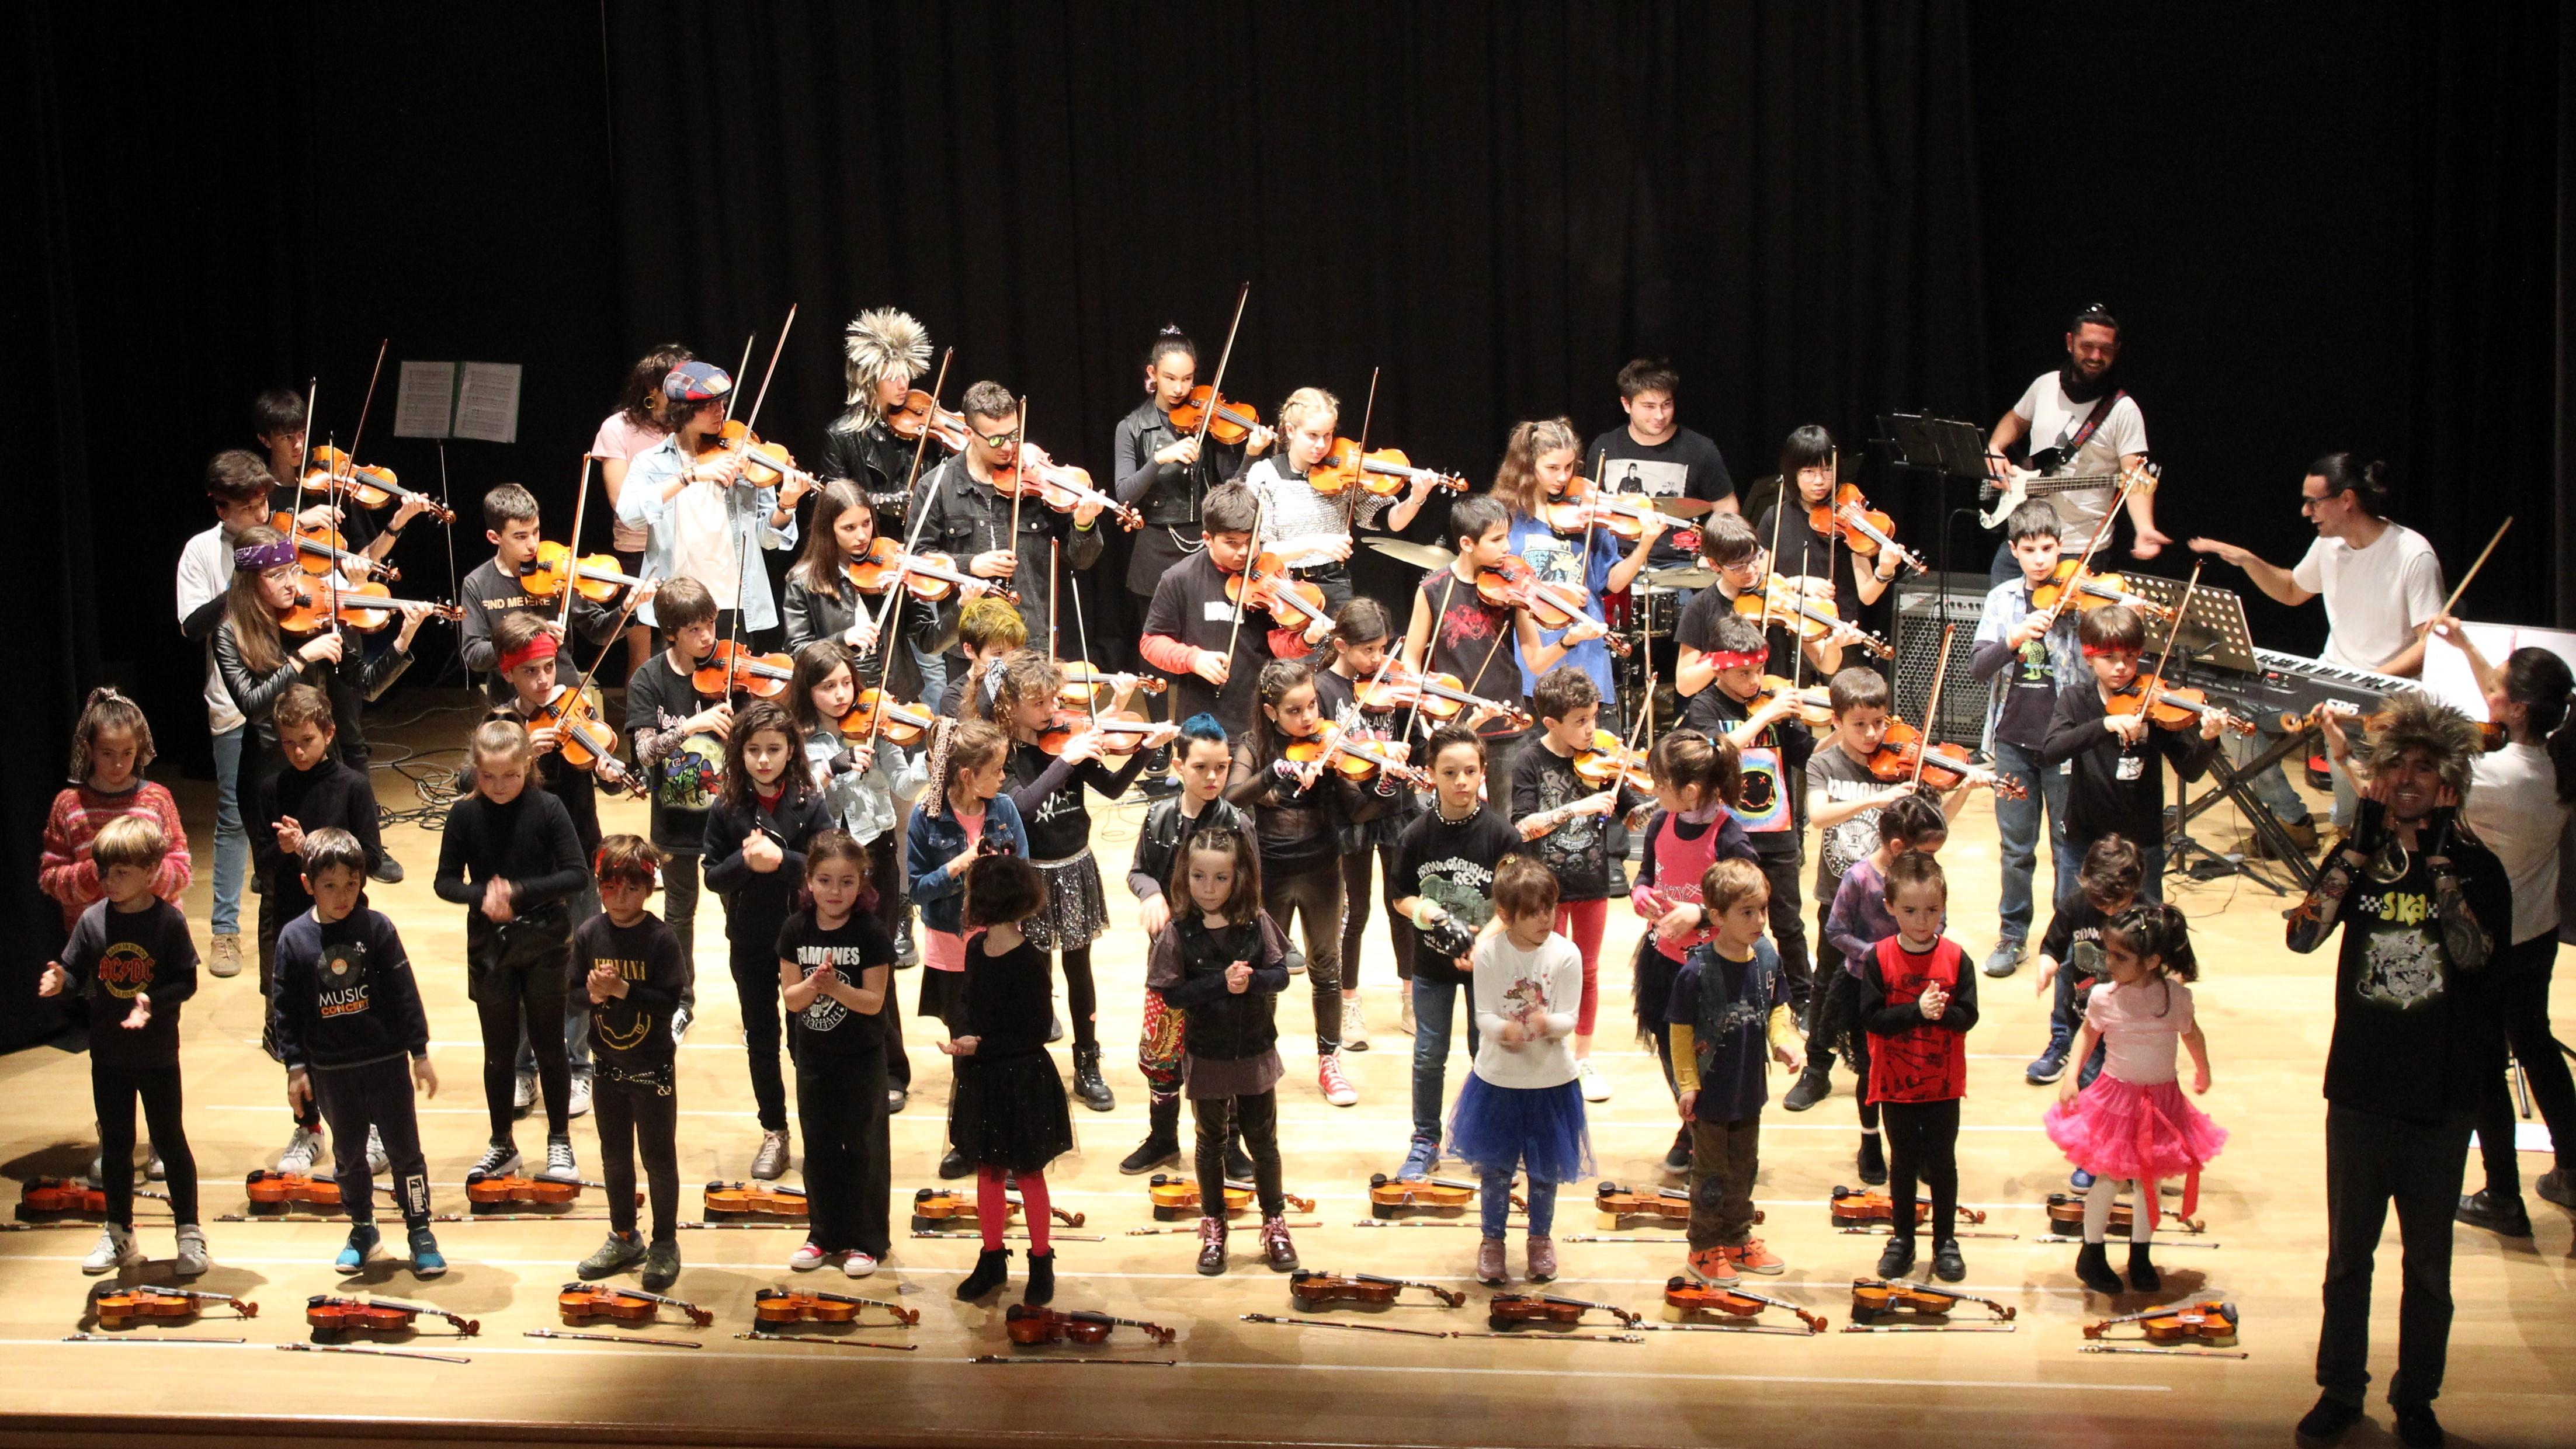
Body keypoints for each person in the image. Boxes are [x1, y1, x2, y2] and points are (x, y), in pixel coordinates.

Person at [2284, 694, 2507, 1449]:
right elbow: (2301, 937)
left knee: (2429, 1269)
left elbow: (2476, 958)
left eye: (2424, 768)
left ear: (2449, 782)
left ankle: (2416, 1397)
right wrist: (2352, 849)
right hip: (2357, 1089)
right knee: (2348, 1260)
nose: (2407, 780)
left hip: (2440, 1100)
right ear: (2376, 775)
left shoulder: (2479, 869)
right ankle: (2341, 1389)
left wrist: (2440, 869)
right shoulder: (2360, 857)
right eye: (2395, 766)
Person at [2188, 454, 2446, 834]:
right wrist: (2248, 561)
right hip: (2328, 685)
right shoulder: (2330, 544)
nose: (2306, 511)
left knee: (2355, 825)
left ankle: (2351, 826)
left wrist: (2368, 681)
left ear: (2346, 500)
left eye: (2314, 501)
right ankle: (2291, 820)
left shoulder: (2413, 553)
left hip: (2384, 701)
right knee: (2225, 704)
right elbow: (2293, 589)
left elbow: (2431, 644)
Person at [2426, 620, 2576, 1232]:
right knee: (2535, 1045)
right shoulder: (2561, 759)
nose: (2489, 697)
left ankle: (2503, 1198)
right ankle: (2572, 1169)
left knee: (2486, 1067)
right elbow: (2502, 695)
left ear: (2516, 709)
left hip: (2489, 938)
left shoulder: (2492, 778)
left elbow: (2414, 793)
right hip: (2538, 931)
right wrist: (2463, 645)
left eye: (2500, 694)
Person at [1790, 667, 1980, 1121]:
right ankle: (1817, 1067)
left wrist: (1965, 790)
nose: (1873, 734)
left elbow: (1932, 827)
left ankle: (1884, 1062)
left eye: (1879, 722)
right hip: (1843, 892)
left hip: (1901, 902)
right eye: (1860, 725)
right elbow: (1817, 816)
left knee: (1889, 989)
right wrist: (1876, 800)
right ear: (1836, 721)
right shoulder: (1825, 763)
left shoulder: (1905, 764)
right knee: (1827, 987)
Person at [212, 526, 428, 905]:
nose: (291, 583)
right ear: (249, 580)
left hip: (325, 769)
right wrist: (301, 657)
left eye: (294, 569)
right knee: (279, 888)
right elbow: (252, 702)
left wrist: (403, 639)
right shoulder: (231, 632)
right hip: (269, 770)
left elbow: (366, 683)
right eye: (276, 575)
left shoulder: (316, 614)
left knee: (338, 879)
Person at [268, 827, 442, 1279]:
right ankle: (363, 1227)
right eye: (330, 885)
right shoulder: (292, 939)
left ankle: (420, 1229)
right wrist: (295, 1066)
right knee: (348, 1154)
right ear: (308, 884)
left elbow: (405, 992)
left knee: (406, 1152)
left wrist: (419, 1051)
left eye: (351, 884)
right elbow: (285, 1010)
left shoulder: (377, 927)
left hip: (385, 1063)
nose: (342, 895)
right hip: (332, 1070)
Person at [980, 651, 1150, 1111]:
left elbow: (1112, 788)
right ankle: (1031, 1062)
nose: (1052, 710)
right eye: (1040, 702)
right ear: (1010, 705)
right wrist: (1066, 761)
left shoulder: (1066, 738)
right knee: (1032, 976)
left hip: (1075, 866)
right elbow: (1020, 807)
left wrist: (1147, 751)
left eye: (1054, 698)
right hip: (1029, 877)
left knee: (1080, 970)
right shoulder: (1001, 753)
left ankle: (1087, 1062)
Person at [42, 815, 205, 1277]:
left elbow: (187, 981)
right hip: (109, 1055)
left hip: (156, 1057)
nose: (108, 881)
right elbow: (76, 973)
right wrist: (62, 982)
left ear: (151, 870)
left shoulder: (168, 922)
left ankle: (189, 1231)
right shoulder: (94, 921)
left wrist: (154, 1000)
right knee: (115, 1145)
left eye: (121, 872)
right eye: (104, 871)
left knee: (170, 1141)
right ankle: (119, 1232)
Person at [435, 718, 589, 1184]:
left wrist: (518, 892)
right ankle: (502, 1142)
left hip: (545, 938)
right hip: (490, 944)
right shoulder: (464, 815)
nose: (499, 786)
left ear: (528, 765)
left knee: (549, 1044)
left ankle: (559, 1140)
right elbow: (444, 881)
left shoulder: (549, 807)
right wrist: (481, 896)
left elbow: (576, 874)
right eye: (488, 777)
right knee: (498, 1051)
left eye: (510, 775)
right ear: (474, 771)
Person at [2044, 903, 2224, 1296]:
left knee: (2149, 1181)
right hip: (2116, 1101)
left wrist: (2203, 1068)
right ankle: (2091, 1252)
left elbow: (2193, 1033)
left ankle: (2140, 1252)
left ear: (2153, 960)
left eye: (2120, 956)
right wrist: (2072, 1075)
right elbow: (2087, 1035)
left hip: (2161, 1102)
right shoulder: (2105, 997)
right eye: (2109, 952)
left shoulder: (2175, 998)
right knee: (2108, 1178)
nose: (2109, 962)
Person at [488, 611, 626, 1120]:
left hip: (581, 854)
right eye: (532, 673)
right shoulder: (500, 727)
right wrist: (522, 757)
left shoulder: (577, 707)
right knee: (526, 968)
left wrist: (609, 770)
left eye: (550, 668)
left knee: (580, 964)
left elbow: (601, 773)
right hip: (525, 863)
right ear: (508, 674)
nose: (545, 681)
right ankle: (525, 1069)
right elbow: (474, 786)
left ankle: (576, 1066)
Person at [1145, 826, 1299, 1275]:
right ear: (1185, 876)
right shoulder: (1179, 931)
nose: (1208, 888)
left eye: (1220, 878)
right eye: (1198, 877)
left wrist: (1251, 980)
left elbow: (1281, 974)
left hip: (1253, 1049)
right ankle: (1214, 1224)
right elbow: (1171, 993)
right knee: (1211, 1141)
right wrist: (1219, 984)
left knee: (1263, 1141)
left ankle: (1274, 1221)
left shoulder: (1256, 921)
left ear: (1239, 879)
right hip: (1207, 1053)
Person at [251, 685, 386, 1176]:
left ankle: (370, 1125)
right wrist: (283, 850)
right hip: (288, 923)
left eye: (306, 740)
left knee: (351, 1022)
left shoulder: (352, 786)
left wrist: (312, 847)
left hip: (345, 923)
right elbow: (262, 865)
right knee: (294, 1024)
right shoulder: (272, 788)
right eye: (288, 743)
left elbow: (371, 857)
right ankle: (308, 1126)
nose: (298, 751)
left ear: (329, 732)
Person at [1226, 659, 1369, 1107]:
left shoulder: (1328, 743)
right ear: (1271, 712)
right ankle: (1260, 1055)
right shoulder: (1255, 745)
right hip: (1270, 870)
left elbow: (1360, 810)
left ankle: (1330, 1060)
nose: (1308, 717)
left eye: (1312, 705)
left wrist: (1377, 780)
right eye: (1294, 710)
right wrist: (1272, 774)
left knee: (1326, 966)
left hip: (1323, 868)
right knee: (1265, 970)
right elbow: (1231, 797)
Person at [787, 638, 922, 1109]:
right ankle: (827, 1057)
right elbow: (796, 795)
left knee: (875, 960)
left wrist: (932, 757)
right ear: (809, 690)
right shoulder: (797, 737)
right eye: (828, 686)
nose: (842, 694)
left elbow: (905, 784)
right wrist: (831, 767)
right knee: (823, 961)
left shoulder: (877, 727)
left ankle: (891, 1069)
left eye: (846, 682)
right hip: (822, 864)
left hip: (874, 855)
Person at [702, 699, 833, 1181]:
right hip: (751, 941)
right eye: (753, 749)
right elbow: (714, 876)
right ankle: (774, 1131)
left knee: (808, 1039)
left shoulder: (811, 800)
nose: (762, 759)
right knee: (762, 1037)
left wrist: (781, 860)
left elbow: (828, 871)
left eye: (773, 749)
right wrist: (745, 862)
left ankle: (819, 1127)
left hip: (804, 942)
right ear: (739, 752)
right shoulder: (726, 807)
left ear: (790, 750)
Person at [1388, 724, 1526, 1181]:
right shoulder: (1416, 835)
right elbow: (1400, 894)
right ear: (1431, 775)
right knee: (1429, 1052)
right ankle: (1425, 1139)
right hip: (1430, 964)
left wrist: (1478, 942)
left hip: (1486, 966)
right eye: (1450, 772)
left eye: (1470, 771)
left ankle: (1489, 1136)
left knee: (1482, 1049)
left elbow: (1511, 905)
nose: (1461, 781)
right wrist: (1430, 915)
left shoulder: (1501, 834)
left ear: (1484, 772)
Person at [1449, 854, 1591, 1286]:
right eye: (1532, 913)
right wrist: (1505, 1030)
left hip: (1552, 1083)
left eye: (1549, 908)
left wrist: (1548, 1024)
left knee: (1546, 1172)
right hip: (1499, 1082)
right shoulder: (1491, 953)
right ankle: (1492, 1241)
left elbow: (1570, 1015)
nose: (1544, 919)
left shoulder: (1566, 953)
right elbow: (1485, 1015)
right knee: (1496, 1170)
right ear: (1507, 915)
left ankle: (1540, 1239)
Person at [1400, 493, 1605, 790]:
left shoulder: (1513, 589)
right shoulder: (1433, 589)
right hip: (1456, 723)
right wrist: (1422, 711)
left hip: (1507, 720)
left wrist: (1568, 641)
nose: (1507, 547)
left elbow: (1534, 660)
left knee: (1508, 819)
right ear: (1467, 544)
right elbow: (1411, 658)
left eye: (1507, 537)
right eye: (1496, 540)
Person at [1122, 713, 1253, 1176]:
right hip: (1170, 961)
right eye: (1202, 767)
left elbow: (1253, 893)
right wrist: (1151, 892)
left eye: (1222, 766)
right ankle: (1162, 1138)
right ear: (1179, 765)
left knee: (1222, 1056)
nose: (1214, 777)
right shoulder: (1158, 816)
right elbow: (1137, 871)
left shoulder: (1238, 823)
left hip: (1221, 964)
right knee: (1162, 1054)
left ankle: (1227, 1145)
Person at [1511, 666, 1650, 1100]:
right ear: (1552, 723)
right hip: (1544, 890)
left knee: (1587, 971)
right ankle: (1546, 1052)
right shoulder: (1529, 761)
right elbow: (1522, 826)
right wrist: (1579, 808)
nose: (1592, 729)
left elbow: (1631, 814)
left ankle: (1583, 1058)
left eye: (1594, 717)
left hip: (1591, 882)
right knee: (1543, 974)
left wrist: (1656, 801)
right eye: (1581, 721)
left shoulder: (1604, 759)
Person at [943, 854, 1074, 1306]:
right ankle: (992, 1256)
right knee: (989, 1169)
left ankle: (1042, 1259)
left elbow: (1036, 1030)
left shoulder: (1030, 960)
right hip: (984, 1077)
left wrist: (983, 1045)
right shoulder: (976, 948)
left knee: (1028, 1171)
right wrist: (962, 1031)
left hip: (1020, 1079)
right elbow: (964, 999)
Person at [1667, 857, 1800, 1288]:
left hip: (1749, 1087)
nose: (1759, 919)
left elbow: (1777, 1004)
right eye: (1747, 912)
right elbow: (1681, 1033)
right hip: (1711, 1095)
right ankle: (1703, 1246)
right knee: (1710, 1172)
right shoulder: (1697, 971)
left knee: (1745, 1165)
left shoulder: (1765, 957)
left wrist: (1781, 1040)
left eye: (1762, 909)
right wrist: (1687, 1084)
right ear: (1718, 916)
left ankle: (1737, 1235)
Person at [907, 719, 1032, 1179]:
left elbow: (1026, 876)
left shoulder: (1004, 810)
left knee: (1005, 1050)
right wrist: (960, 866)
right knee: (966, 1054)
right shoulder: (926, 817)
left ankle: (1013, 1144)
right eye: (996, 769)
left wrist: (1001, 873)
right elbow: (917, 890)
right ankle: (967, 1141)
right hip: (951, 952)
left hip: (1000, 949)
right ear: (966, 775)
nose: (1003, 778)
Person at [1679, 612, 1818, 1020]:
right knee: (1729, 921)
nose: (1755, 681)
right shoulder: (1703, 706)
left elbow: (1808, 754)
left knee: (1789, 924)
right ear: (1720, 668)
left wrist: (1844, 733)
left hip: (1778, 832)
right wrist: (1766, 714)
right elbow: (1716, 751)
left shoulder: (1773, 706)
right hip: (1729, 836)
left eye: (1759, 670)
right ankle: (1729, 992)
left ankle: (1803, 998)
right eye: (1744, 673)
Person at [1629, 729, 1756, 1170]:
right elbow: (1648, 873)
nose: (1653, 790)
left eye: (1659, 783)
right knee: (1672, 1051)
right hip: (1665, 962)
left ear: (1690, 790)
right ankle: (1693, 1124)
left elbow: (1750, 902)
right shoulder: (1662, 822)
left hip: (1713, 969)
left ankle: (1712, 1130)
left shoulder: (1729, 838)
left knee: (1712, 1056)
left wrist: (1701, 914)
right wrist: (1641, 893)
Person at [2038, 604, 2223, 902]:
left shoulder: (2155, 704)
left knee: (2143, 927)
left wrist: (2207, 739)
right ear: (2089, 658)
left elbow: (2190, 770)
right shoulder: (2076, 700)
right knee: (2074, 924)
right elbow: (2052, 750)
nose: (2121, 667)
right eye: (2108, 658)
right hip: (2085, 839)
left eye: (2130, 658)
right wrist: (2106, 724)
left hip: (2141, 842)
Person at [1969, 500, 2085, 974]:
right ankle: (2013, 934)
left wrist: (2086, 613)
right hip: (2013, 740)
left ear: (2060, 547)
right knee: (2016, 849)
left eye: (2049, 548)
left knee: (2067, 847)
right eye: (2031, 549)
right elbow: (1978, 667)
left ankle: (2069, 938)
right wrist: (2014, 637)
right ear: (2015, 550)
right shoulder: (2002, 600)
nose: (2041, 558)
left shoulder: (2080, 595)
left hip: (2065, 740)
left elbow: (2107, 655)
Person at [616, 360, 808, 644]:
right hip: (675, 598)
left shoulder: (742, 454)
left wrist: (786, 506)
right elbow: (629, 514)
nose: (721, 411)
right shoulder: (652, 462)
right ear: (683, 411)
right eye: (710, 406)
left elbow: (767, 540)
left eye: (723, 403)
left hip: (733, 600)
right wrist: (689, 476)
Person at [175, 448, 276, 978]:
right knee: (234, 818)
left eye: (266, 502)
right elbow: (193, 624)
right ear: (222, 508)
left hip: (285, 698)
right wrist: (242, 576)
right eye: (251, 507)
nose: (264, 515)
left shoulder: (278, 538)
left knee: (287, 812)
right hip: (230, 702)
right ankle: (224, 932)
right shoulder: (199, 553)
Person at [1814, 790, 1950, 1186]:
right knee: (1872, 1069)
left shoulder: (1929, 879)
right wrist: (1879, 954)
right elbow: (1836, 930)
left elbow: (1941, 920)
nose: (1932, 861)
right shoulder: (1859, 878)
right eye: (1926, 852)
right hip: (1867, 986)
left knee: (1916, 1066)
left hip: (1916, 986)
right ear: (1897, 847)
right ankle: (1870, 1138)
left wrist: (1928, 940)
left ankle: (1917, 1143)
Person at [779, 830, 898, 1278]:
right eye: (825, 880)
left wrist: (835, 987)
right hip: (813, 1057)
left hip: (862, 1058)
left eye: (847, 881)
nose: (835, 891)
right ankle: (823, 1233)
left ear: (863, 882)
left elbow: (873, 1001)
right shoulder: (795, 929)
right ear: (809, 880)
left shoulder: (870, 931)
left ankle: (868, 1240)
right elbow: (792, 998)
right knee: (821, 1144)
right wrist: (814, 985)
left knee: (865, 1146)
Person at [571, 834, 688, 1291]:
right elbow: (572, 994)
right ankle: (624, 1235)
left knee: (658, 1159)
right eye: (611, 887)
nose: (621, 898)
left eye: (632, 887)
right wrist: (593, 993)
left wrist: (623, 991)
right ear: (600, 886)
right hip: (607, 1067)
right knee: (615, 1158)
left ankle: (664, 1242)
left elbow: (669, 1003)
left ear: (650, 887)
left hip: (653, 1068)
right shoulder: (588, 934)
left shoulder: (660, 939)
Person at [911, 381, 1100, 659]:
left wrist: (1083, 525)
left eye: (1014, 434)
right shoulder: (936, 486)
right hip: (970, 645)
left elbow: (1081, 560)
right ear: (969, 433)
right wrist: (970, 564)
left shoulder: (1037, 481)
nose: (1009, 447)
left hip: (1032, 640)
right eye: (997, 439)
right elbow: (917, 560)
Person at [1857, 852, 1979, 1284]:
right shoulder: (1879, 958)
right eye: (1910, 910)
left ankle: (1945, 1240)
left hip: (1944, 1086)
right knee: (1903, 1163)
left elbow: (1969, 1016)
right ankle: (1902, 1238)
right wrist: (1916, 1010)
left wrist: (1940, 1013)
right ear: (1890, 907)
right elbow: (1871, 1018)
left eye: (1932, 910)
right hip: (1895, 1086)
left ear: (1944, 906)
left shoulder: (1957, 958)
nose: (1922, 920)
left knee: (1943, 1162)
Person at [1983, 304, 2165, 581]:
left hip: (2079, 550)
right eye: (2087, 346)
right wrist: (1994, 448)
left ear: (2116, 350)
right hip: (2025, 542)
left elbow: (2135, 476)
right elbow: (2017, 420)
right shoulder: (2045, 385)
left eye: (2105, 349)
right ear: (2070, 342)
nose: (2095, 356)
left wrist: (2144, 528)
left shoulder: (2124, 410)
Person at [1494, 416, 1660, 706]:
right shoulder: (1508, 518)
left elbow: (1613, 582)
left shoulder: (1588, 514)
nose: (1563, 477)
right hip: (1536, 659)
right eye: (1553, 468)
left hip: (1588, 656)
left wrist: (1645, 543)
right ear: (1527, 465)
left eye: (1569, 467)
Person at [1314, 597, 1421, 1045]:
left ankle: (1412, 995)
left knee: (1404, 904)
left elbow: (1412, 737)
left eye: (1383, 649)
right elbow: (1323, 747)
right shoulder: (1322, 689)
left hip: (1397, 806)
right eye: (1369, 651)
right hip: (1352, 810)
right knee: (1354, 910)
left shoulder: (1390, 686)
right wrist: (1373, 750)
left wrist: (1407, 749)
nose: (1379, 660)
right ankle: (1350, 1003)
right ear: (1341, 645)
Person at [1112, 326, 1273, 612]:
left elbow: (1231, 494)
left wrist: (1250, 455)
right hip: (1154, 550)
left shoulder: (1209, 422)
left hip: (1205, 545)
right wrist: (1159, 459)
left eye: (1187, 379)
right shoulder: (1131, 427)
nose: (1179, 389)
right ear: (1152, 373)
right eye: (1170, 378)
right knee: (1157, 645)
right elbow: (1125, 493)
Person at [1139, 481, 1320, 738]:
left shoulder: (1269, 576)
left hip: (1258, 718)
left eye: (1251, 541)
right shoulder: (1179, 578)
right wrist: (1194, 658)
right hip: (1201, 721)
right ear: (1208, 539)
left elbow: (1277, 646)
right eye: (1232, 543)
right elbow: (1151, 643)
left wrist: (1304, 640)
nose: (1244, 552)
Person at [1242, 385, 1436, 616]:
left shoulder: (1343, 475)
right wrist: (1315, 543)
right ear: (1291, 431)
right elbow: (1259, 551)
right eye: (1312, 436)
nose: (1322, 446)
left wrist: (1416, 498)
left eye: (1328, 435)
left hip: (1335, 585)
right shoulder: (1264, 475)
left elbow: (1391, 521)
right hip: (1283, 587)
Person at [623, 575, 730, 988]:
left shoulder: (729, 669)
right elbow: (645, 752)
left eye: (710, 624)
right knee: (679, 913)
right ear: (671, 633)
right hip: (675, 818)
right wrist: (692, 725)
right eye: (694, 630)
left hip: (727, 816)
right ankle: (682, 998)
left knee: (738, 915)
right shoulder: (649, 680)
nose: (707, 638)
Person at [782, 479, 959, 718]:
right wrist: (842, 640)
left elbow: (930, 641)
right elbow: (798, 652)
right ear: (827, 529)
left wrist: (960, 609)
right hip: (843, 706)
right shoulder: (803, 581)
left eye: (867, 524)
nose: (862, 536)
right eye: (849, 528)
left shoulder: (889, 567)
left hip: (899, 700)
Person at [43, 688, 190, 940]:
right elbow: (51, 878)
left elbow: (182, 871)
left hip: (154, 936)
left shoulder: (157, 800)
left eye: (127, 753)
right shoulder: (69, 805)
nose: (118, 764)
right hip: (93, 941)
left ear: (139, 748)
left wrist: (138, 873)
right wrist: (97, 872)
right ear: (89, 749)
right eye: (107, 753)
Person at [456, 483, 626, 701]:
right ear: (494, 537)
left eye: (535, 532)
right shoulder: (477, 583)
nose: (533, 545)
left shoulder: (556, 571)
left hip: (563, 692)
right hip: (508, 699)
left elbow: (598, 630)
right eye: (520, 536)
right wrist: (526, 641)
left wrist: (625, 611)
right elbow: (474, 654)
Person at [593, 344, 690, 680]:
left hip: (687, 545)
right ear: (653, 389)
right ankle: (644, 724)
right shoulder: (616, 428)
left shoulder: (690, 427)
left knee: (687, 640)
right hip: (637, 549)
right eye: (677, 386)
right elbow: (620, 499)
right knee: (643, 649)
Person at [1586, 358, 1737, 574]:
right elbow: (1591, 507)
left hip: (1678, 565)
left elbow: (1727, 508)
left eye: (1666, 405)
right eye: (1649, 407)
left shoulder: (1700, 449)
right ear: (1626, 404)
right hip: (1617, 562)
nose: (1659, 415)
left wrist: (1712, 556)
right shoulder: (1604, 447)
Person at [2024, 835, 2145, 1097]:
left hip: (2131, 1024)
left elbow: (2170, 960)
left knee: (2127, 1091)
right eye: (2102, 903)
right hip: (2084, 1018)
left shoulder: (2146, 914)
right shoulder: (2076, 904)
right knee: (2091, 1089)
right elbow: (2053, 945)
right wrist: (2046, 967)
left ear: (2134, 889)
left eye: (2120, 904)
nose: (2111, 911)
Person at [1675, 512, 1842, 697]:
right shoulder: (1700, 606)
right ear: (1714, 565)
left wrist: (1834, 646)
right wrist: (1723, 658)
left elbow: (1826, 665)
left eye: (1754, 559)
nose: (1751, 570)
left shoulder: (1780, 595)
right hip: (1726, 713)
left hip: (1777, 702)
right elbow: (1685, 686)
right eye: (1738, 565)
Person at [1754, 426, 1897, 638]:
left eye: (1827, 470)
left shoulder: (1848, 520)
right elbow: (1759, 582)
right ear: (1794, 473)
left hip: (1839, 631)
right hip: (1787, 629)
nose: (1820, 481)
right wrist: (1797, 582)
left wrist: (1885, 571)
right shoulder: (1775, 517)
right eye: (1809, 472)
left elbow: (1867, 596)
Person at [824, 306, 945, 554]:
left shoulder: (925, 423)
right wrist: (879, 502)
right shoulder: (841, 435)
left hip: (925, 545)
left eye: (906, 375)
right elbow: (831, 501)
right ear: (868, 380)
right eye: (892, 378)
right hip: (871, 549)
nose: (904, 385)